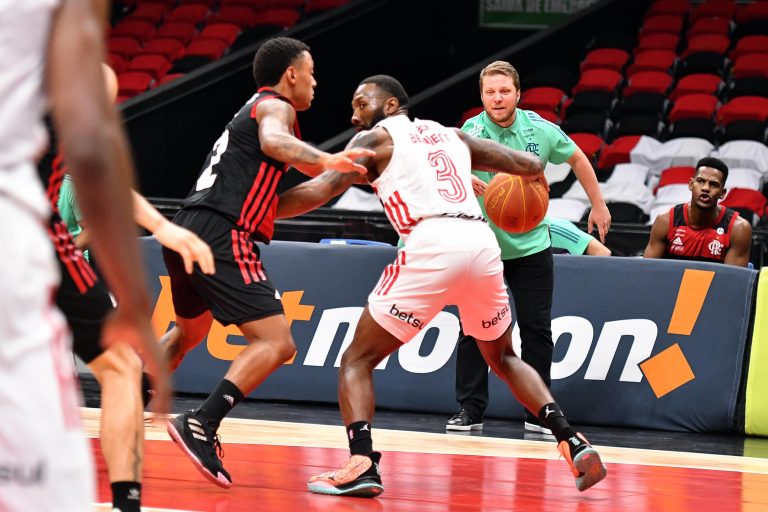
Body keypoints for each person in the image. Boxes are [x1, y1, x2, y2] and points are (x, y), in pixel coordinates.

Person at [276, 75, 607, 497]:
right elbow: (528, 164)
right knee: (505, 357)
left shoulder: (376, 140)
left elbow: (320, 188)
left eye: (361, 103)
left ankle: (361, 463)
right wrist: (526, 187)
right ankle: (571, 439)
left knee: (356, 359)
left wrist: (258, 212)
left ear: (391, 106)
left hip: (431, 241)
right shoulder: (450, 135)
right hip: (481, 242)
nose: (354, 114)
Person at [158, 36, 373, 489]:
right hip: (221, 233)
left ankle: (121, 401)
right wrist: (328, 159)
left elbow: (306, 191)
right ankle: (202, 422)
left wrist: (342, 172)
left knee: (187, 333)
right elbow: (276, 142)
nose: (315, 82)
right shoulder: (275, 107)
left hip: (187, 228)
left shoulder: (252, 116)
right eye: (311, 72)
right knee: (277, 343)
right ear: (291, 74)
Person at [0, 1, 170, 510]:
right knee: (120, 366)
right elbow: (94, 159)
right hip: (20, 222)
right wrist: (158, 236)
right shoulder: (78, 58)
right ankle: (126, 502)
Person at [37, 64, 214, 512]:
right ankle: (125, 502)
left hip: (43, 242)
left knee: (120, 368)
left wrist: (161, 226)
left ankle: (124, 500)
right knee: (120, 370)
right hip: (36, 240)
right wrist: (162, 227)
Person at [448, 61, 612, 434]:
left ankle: (538, 412)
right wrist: (464, 174)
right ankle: (470, 409)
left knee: (536, 329)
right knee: (473, 328)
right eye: (490, 92)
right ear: (482, 97)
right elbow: (441, 164)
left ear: (518, 93)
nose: (497, 98)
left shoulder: (539, 129)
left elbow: (578, 158)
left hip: (531, 246)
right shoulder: (470, 132)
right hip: (482, 246)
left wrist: (598, 204)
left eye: (504, 91)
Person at [643, 157, 752, 266]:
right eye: (700, 181)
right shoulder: (665, 221)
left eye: (713, 184)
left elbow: (731, 276)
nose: (706, 188)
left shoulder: (738, 229)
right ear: (691, 184)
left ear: (722, 193)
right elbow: (648, 270)